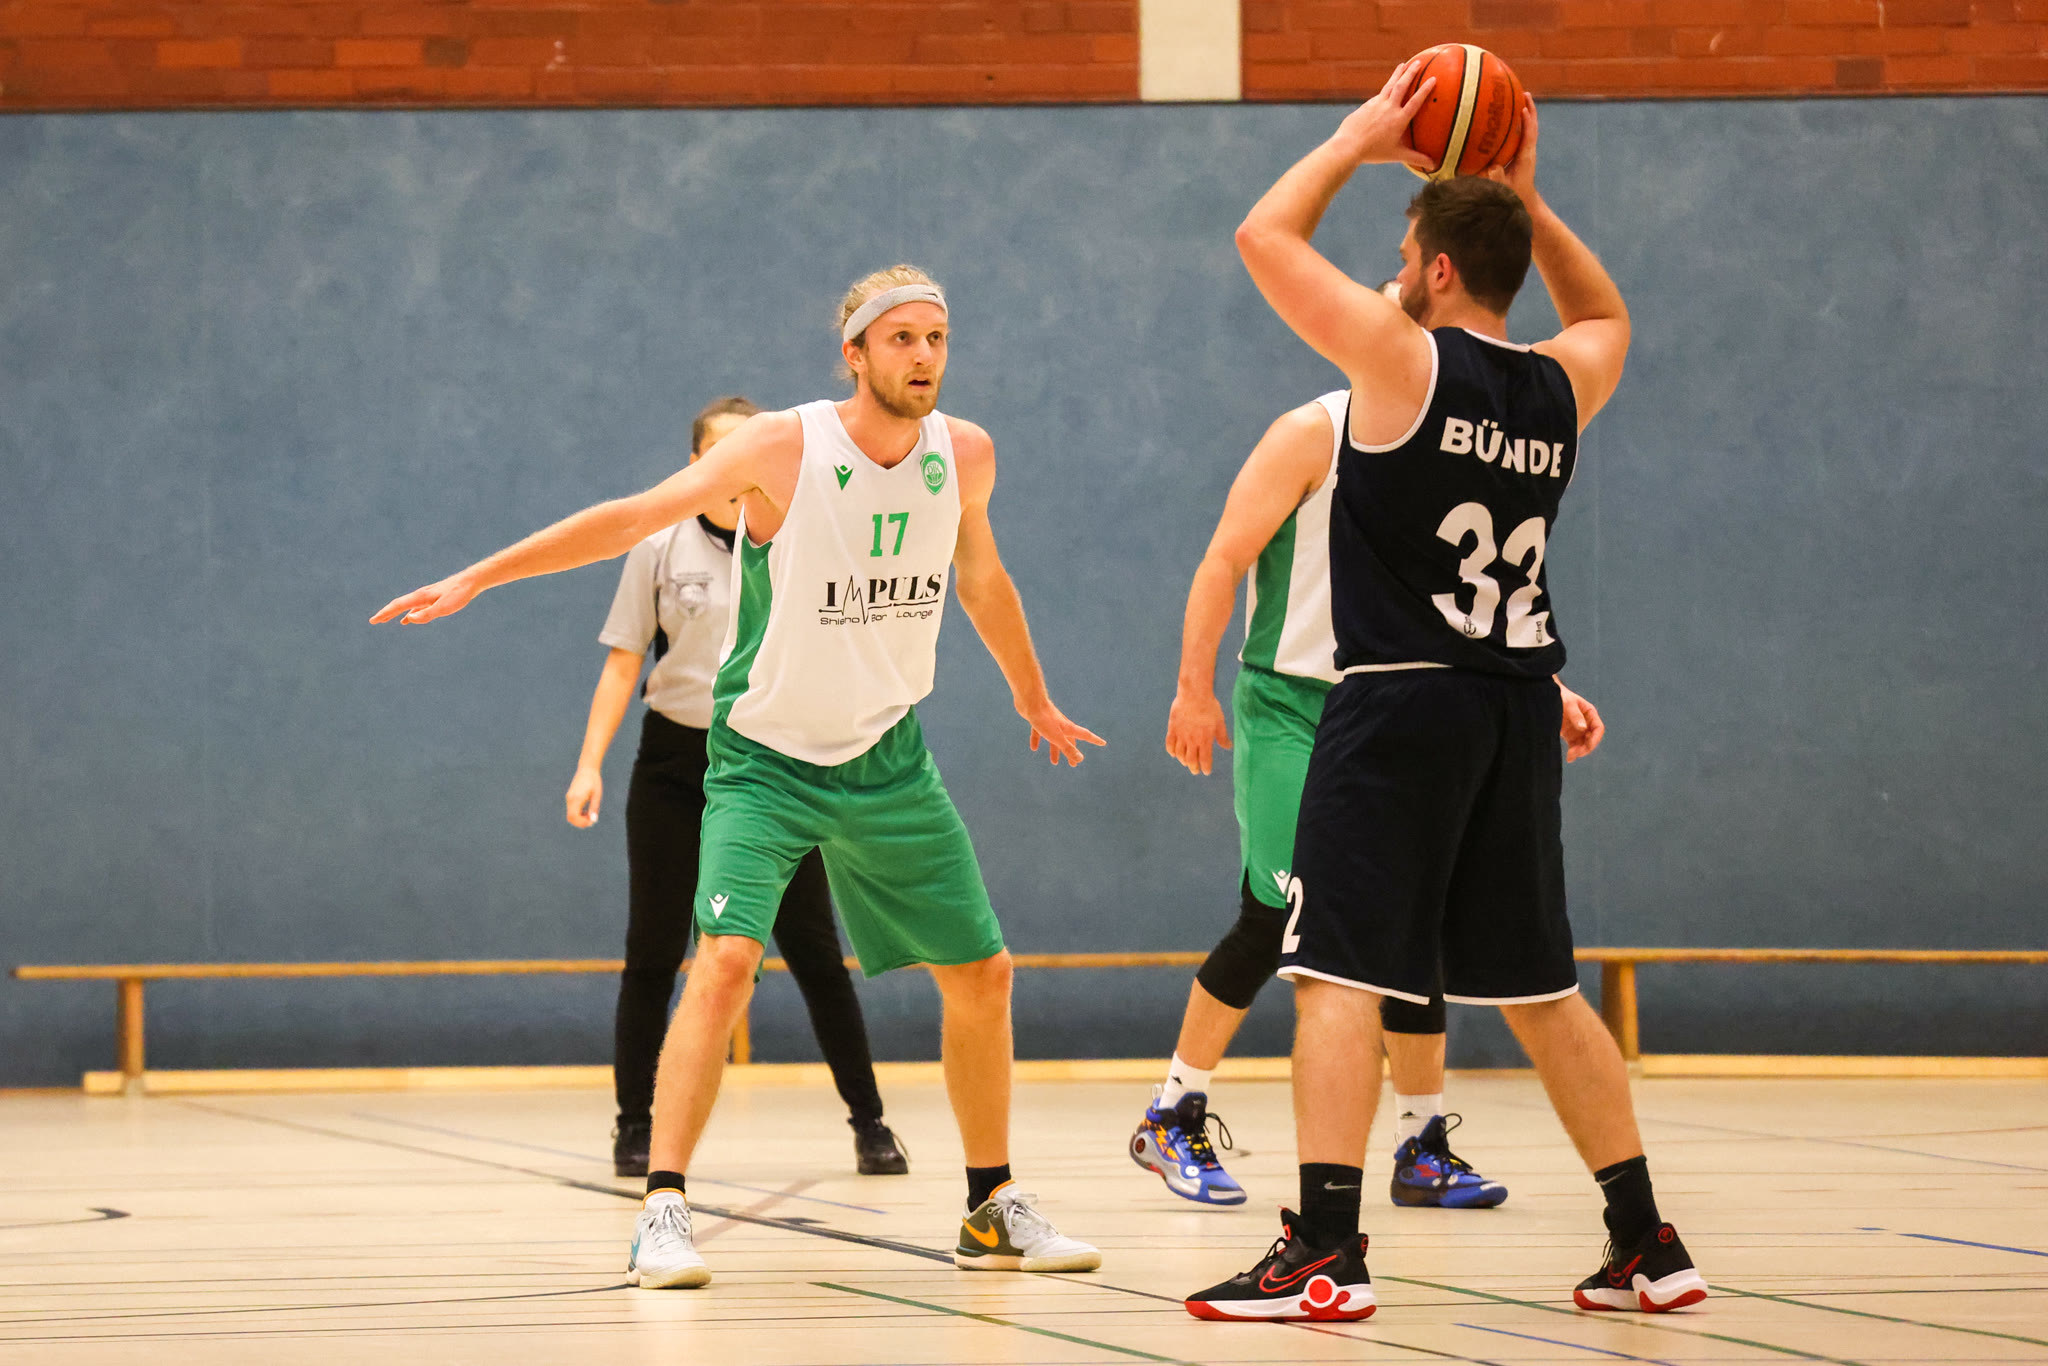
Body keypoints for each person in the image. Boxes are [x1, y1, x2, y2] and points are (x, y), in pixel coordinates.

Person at [374, 265, 1105, 1291]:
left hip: (887, 754)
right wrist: (477, 575)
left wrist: (1032, 696)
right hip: (766, 758)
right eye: (900, 338)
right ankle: (663, 1209)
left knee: (983, 973)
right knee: (720, 963)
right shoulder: (781, 448)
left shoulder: (966, 453)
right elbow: (632, 516)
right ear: (854, 353)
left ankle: (990, 1205)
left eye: (936, 338)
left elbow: (980, 576)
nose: (923, 356)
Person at [1185, 66, 1706, 1321]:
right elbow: (1606, 311)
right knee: (1540, 990)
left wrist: (1359, 138)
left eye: (1402, 255)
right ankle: (1644, 1239)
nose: (1392, 273)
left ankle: (1323, 1247)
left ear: (1429, 270)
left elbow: (1261, 235)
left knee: (1333, 974)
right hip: (1513, 707)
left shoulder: (1398, 363)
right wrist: (1524, 200)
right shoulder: (1559, 383)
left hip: (1397, 704)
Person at [1141, 358, 1606, 1211]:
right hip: (1291, 701)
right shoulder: (1310, 431)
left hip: (1400, 702)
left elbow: (1468, 598)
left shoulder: (1445, 446)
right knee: (1280, 911)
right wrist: (1191, 688)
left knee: (1414, 923)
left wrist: (1545, 685)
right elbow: (1223, 558)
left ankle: (1420, 1144)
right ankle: (1173, 1111)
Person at [566, 394, 908, 1180]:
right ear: (697, 465)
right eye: (723, 453)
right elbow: (623, 660)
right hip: (675, 764)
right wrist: (589, 763)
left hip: (769, 765)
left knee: (815, 951)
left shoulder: (801, 535)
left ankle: (871, 1123)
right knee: (654, 951)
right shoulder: (658, 546)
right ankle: (634, 1124)